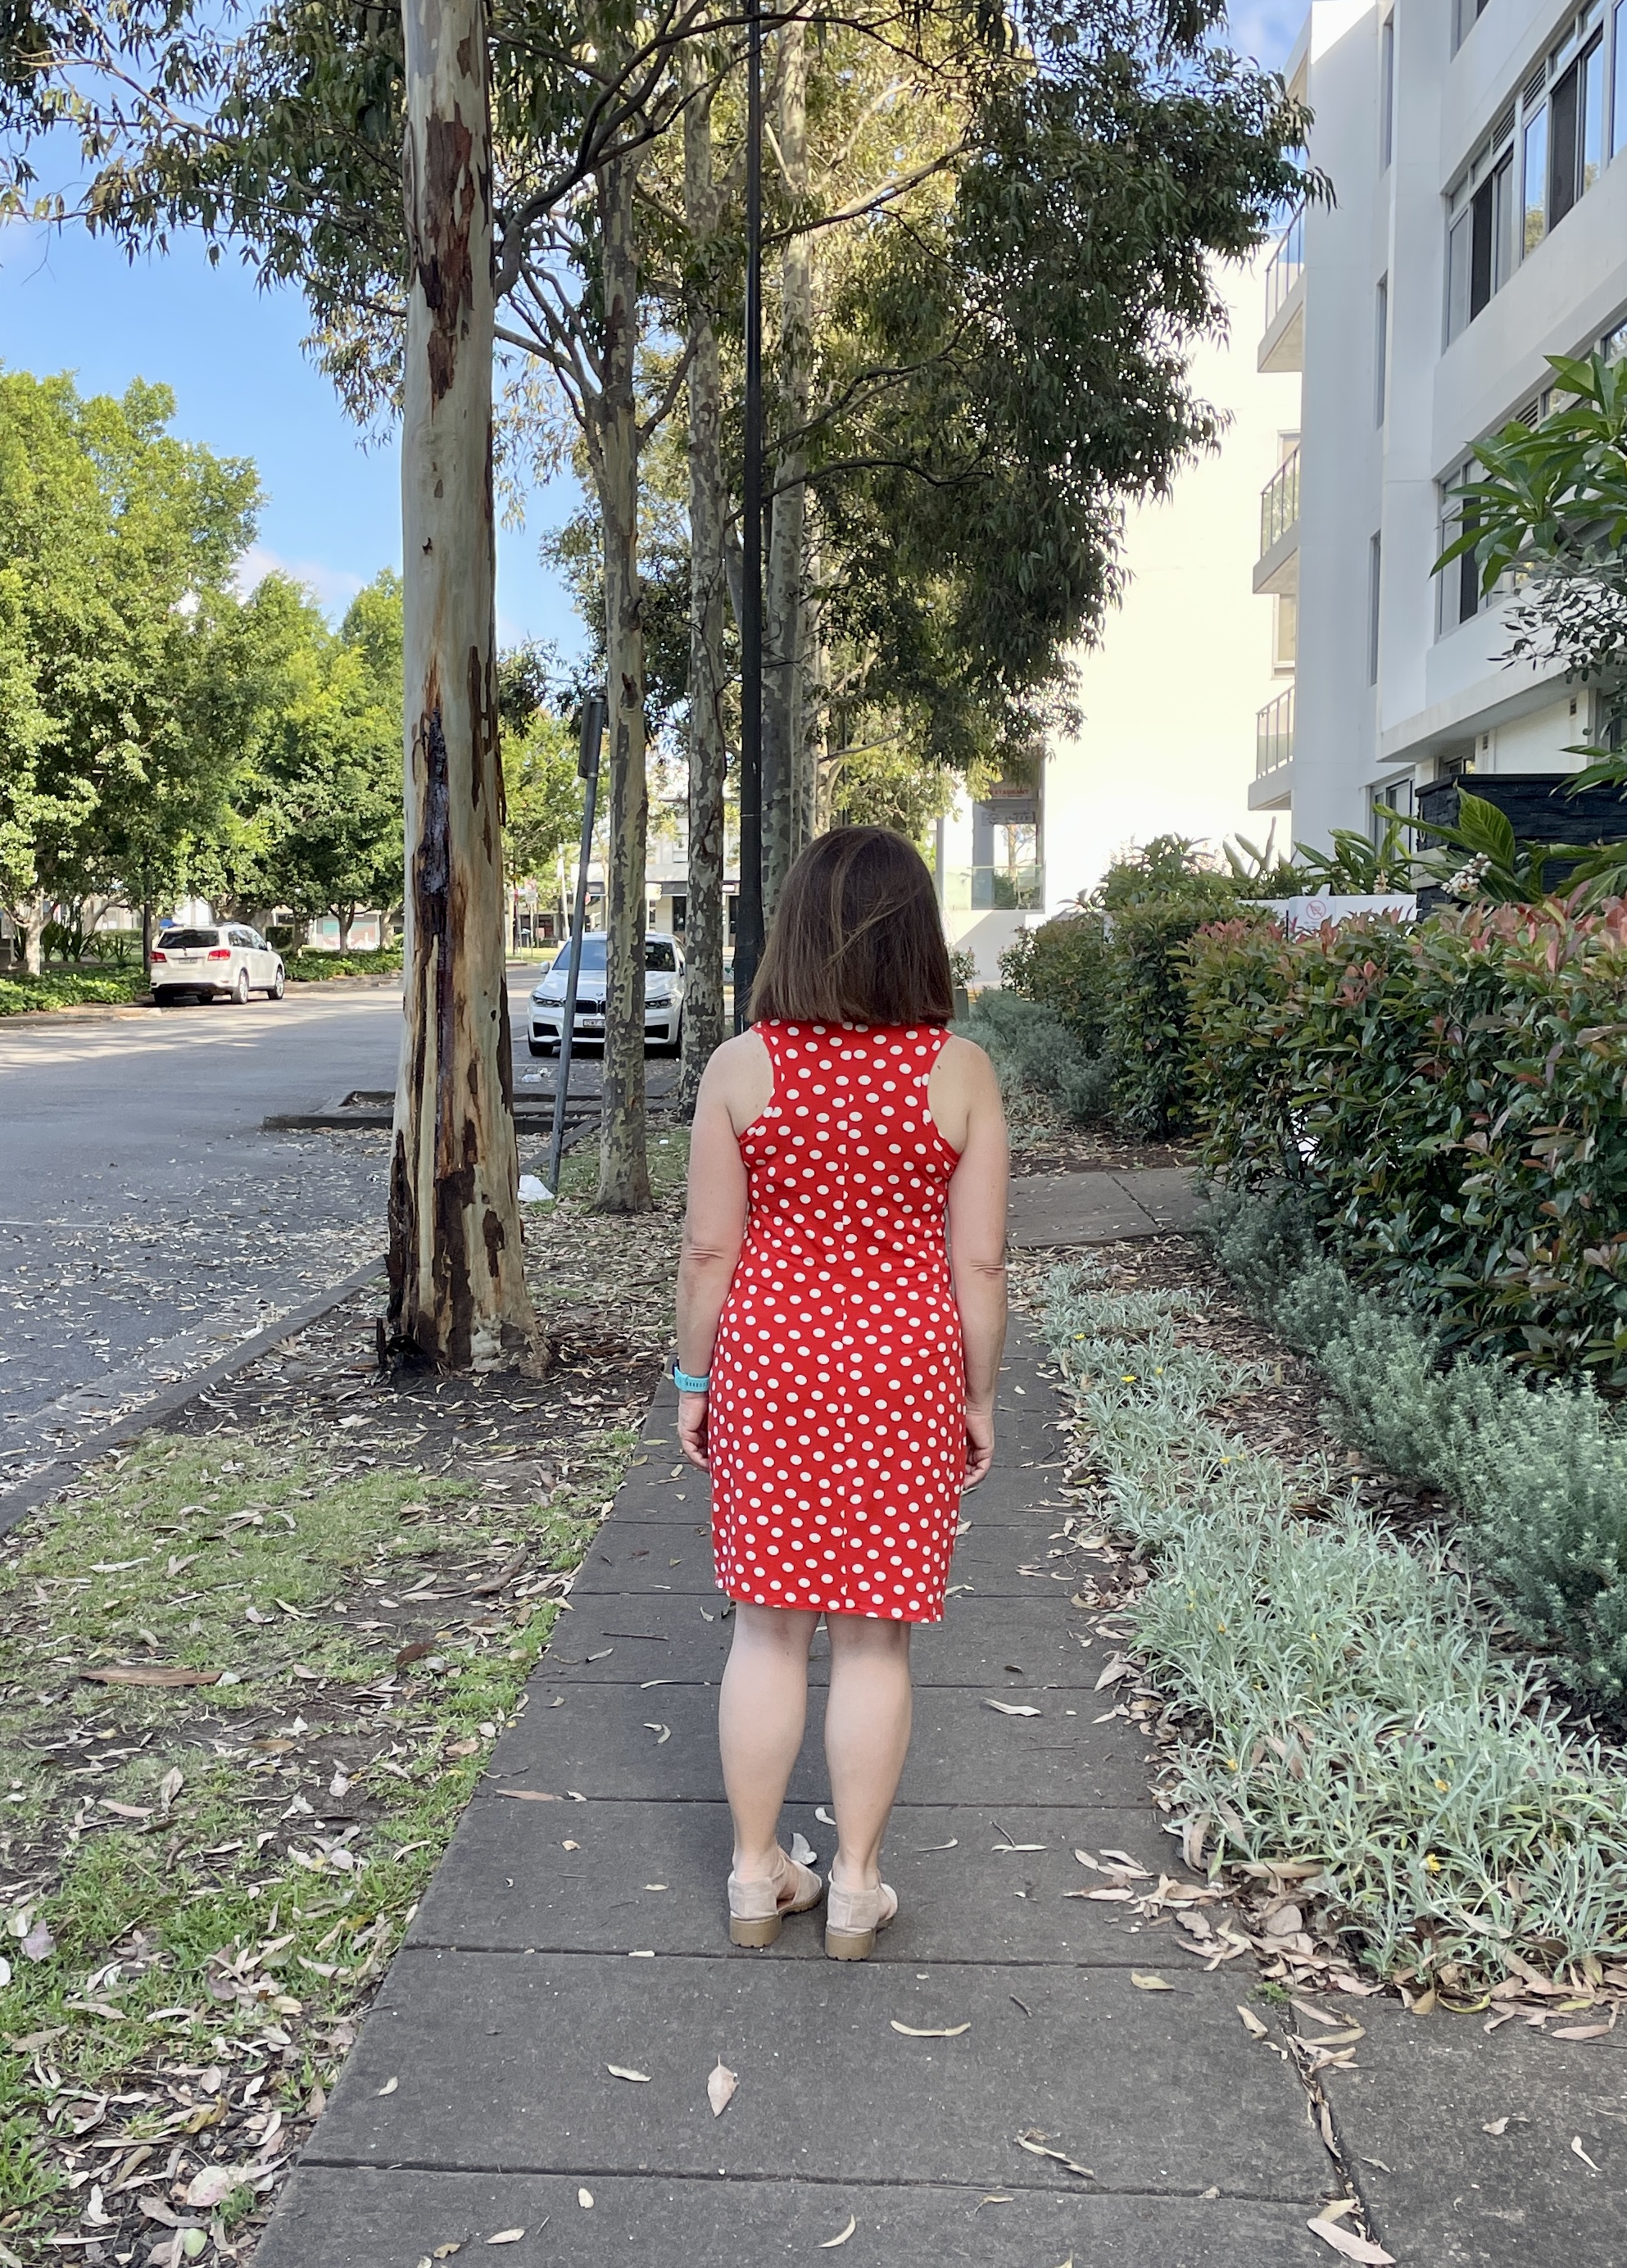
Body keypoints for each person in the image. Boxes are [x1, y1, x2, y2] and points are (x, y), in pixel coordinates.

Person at [673, 826, 1008, 1959]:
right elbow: (980, 1266)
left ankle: (754, 1873)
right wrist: (977, 1398)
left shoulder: (742, 1068)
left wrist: (691, 1380)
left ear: (794, 932)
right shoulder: (957, 1072)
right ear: (917, 935)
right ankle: (856, 1886)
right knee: (874, 1640)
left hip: (773, 1365)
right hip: (905, 1369)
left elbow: (708, 1252)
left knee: (767, 1630)